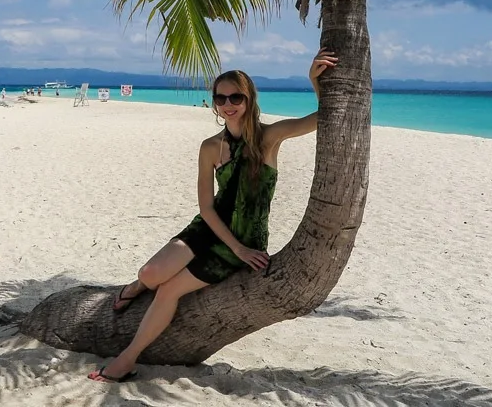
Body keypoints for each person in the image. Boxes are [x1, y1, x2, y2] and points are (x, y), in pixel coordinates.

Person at [88, 48, 338, 383]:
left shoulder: (269, 138)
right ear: (214, 103)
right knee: (150, 272)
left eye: (236, 96)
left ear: (249, 99)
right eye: (220, 98)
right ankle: (135, 286)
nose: (228, 104)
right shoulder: (210, 147)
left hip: (244, 240)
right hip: (208, 228)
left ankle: (127, 359)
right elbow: (206, 207)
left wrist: (314, 81)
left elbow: (323, 117)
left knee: (168, 290)